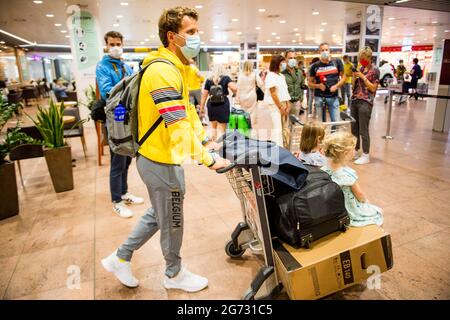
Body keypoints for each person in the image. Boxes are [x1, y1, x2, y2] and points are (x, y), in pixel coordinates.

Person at [101, 6, 231, 292]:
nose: (198, 37)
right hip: (158, 159)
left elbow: (188, 113)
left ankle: (120, 257)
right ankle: (173, 273)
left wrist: (206, 140)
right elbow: (177, 126)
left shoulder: (174, 67)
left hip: (163, 157)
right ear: (173, 36)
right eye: (191, 32)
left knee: (160, 213)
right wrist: (208, 160)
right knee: (173, 218)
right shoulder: (161, 71)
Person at [96, 30, 144, 218]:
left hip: (128, 116)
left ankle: (124, 192)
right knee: (117, 160)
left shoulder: (125, 66)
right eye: (112, 44)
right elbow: (108, 90)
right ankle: (116, 200)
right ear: (106, 45)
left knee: (127, 157)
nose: (116, 47)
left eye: (118, 44)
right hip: (116, 115)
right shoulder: (103, 67)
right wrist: (126, 94)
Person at [321, 131, 383, 227]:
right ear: (346, 153)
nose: (354, 151)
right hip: (349, 209)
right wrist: (365, 201)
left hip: (333, 207)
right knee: (377, 212)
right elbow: (359, 194)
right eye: (353, 149)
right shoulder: (347, 174)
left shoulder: (324, 169)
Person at [351, 46, 380, 165]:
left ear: (369, 57)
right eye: (360, 58)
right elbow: (354, 87)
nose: (361, 61)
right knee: (354, 129)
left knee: (363, 129)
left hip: (366, 102)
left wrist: (363, 77)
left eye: (363, 58)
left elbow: (373, 88)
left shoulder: (375, 70)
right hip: (355, 100)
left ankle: (366, 154)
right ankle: (356, 150)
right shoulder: (360, 68)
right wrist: (354, 77)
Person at [308, 43, 346, 122]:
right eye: (322, 50)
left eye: (326, 50)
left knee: (336, 122)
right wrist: (318, 86)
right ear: (319, 52)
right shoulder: (315, 66)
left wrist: (336, 86)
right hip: (319, 97)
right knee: (321, 125)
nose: (325, 52)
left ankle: (334, 134)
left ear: (329, 51)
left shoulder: (337, 62)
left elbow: (343, 77)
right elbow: (309, 83)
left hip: (333, 97)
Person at [200, 64, 237, 141]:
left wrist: (201, 107)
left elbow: (204, 95)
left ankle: (214, 144)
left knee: (213, 127)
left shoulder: (209, 80)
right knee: (223, 129)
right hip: (223, 105)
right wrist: (234, 93)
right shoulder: (226, 78)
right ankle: (223, 145)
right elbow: (234, 88)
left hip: (211, 105)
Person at [263, 55, 291, 146]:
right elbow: (273, 93)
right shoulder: (270, 75)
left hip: (283, 104)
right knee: (277, 129)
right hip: (275, 105)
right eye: (282, 63)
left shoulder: (281, 76)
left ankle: (282, 147)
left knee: (283, 128)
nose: (284, 65)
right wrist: (280, 107)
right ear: (276, 64)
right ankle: (277, 149)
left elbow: (285, 91)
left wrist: (287, 104)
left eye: (284, 63)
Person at [236, 60, 264, 126]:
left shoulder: (241, 76)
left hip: (242, 97)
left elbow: (238, 87)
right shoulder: (254, 75)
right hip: (252, 96)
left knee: (244, 112)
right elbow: (261, 84)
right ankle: (251, 127)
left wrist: (237, 97)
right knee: (252, 112)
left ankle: (245, 127)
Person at [282, 50, 306, 118]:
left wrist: (300, 99)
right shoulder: (282, 73)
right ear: (285, 59)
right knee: (285, 125)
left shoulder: (299, 72)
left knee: (295, 123)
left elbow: (302, 85)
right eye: (290, 58)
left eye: (294, 58)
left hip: (297, 102)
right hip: (286, 102)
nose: (293, 60)